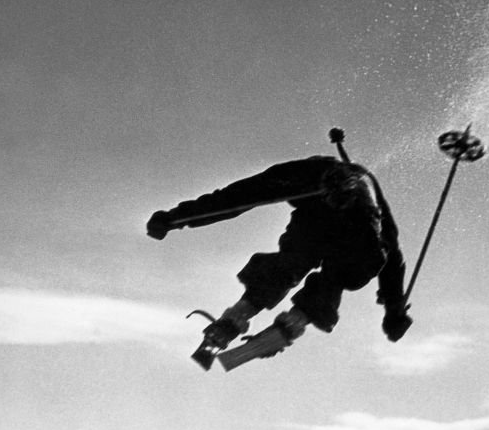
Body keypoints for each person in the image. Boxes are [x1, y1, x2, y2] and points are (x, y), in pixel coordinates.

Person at [146, 155, 413, 366]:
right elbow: (233, 198)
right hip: (315, 223)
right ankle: (276, 317)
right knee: (302, 261)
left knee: (347, 264)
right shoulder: (298, 177)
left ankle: (264, 315)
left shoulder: (367, 212)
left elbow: (391, 257)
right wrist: (176, 218)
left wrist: (394, 310)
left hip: (350, 238)